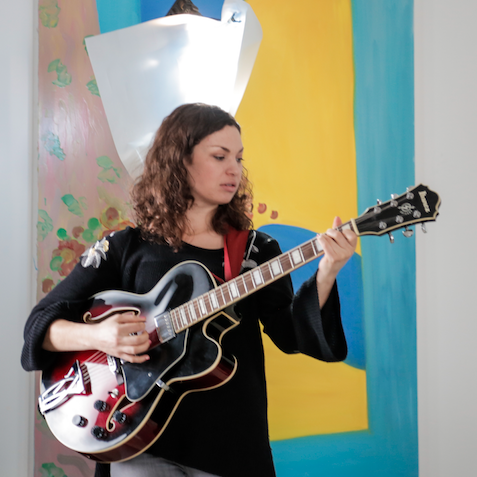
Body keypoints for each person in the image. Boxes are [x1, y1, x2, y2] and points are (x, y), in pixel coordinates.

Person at [21, 103, 357, 477]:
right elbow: (39, 327)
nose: (234, 169)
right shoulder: (125, 248)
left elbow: (292, 333)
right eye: (219, 156)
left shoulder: (255, 251)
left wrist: (328, 270)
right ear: (180, 160)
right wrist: (99, 336)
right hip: (138, 440)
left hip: (232, 445)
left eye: (239, 158)